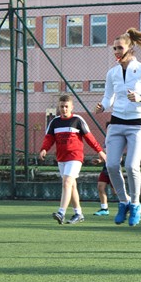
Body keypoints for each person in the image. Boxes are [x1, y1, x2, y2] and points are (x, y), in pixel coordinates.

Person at [95, 27, 141, 227]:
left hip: (138, 125)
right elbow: (109, 96)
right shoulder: (112, 73)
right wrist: (103, 106)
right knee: (112, 165)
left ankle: (135, 204)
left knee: (132, 166)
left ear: (130, 48)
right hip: (116, 123)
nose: (116, 51)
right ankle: (123, 202)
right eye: (114, 48)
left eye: (119, 47)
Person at [40, 95, 107, 225]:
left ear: (71, 107)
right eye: (61, 107)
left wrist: (100, 152)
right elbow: (49, 138)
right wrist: (44, 149)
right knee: (72, 185)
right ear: (58, 108)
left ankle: (61, 212)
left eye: (66, 107)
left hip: (75, 157)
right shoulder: (54, 122)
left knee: (67, 182)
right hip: (61, 158)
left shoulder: (77, 120)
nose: (64, 109)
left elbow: (89, 138)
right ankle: (78, 213)